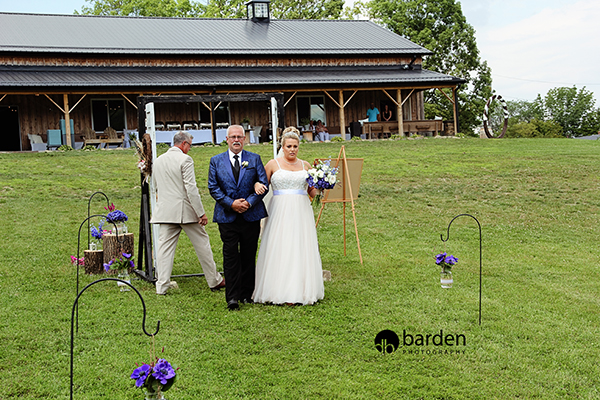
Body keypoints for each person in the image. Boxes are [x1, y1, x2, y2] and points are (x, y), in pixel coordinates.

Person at [252, 127, 324, 305]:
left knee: (300, 244)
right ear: (282, 147)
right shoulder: (272, 164)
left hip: (301, 210)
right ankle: (277, 289)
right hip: (279, 210)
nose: (292, 149)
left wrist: (323, 185)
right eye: (289, 146)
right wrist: (256, 185)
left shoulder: (306, 166)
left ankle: (301, 289)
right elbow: (260, 183)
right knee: (280, 244)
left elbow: (312, 191)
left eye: (295, 146)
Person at [151, 131, 225, 295]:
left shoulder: (158, 160)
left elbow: (155, 187)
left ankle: (161, 286)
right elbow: (191, 188)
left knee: (164, 249)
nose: (190, 149)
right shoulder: (185, 160)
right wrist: (201, 213)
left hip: (165, 211)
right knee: (202, 244)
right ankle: (214, 280)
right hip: (185, 210)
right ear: (184, 144)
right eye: (190, 145)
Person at [208, 125, 268, 310]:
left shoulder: (254, 158)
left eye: (239, 137)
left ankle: (247, 294)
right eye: (233, 137)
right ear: (226, 139)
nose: (236, 140)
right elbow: (213, 187)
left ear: (244, 139)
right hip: (227, 216)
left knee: (249, 254)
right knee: (231, 256)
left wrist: (248, 203)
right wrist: (231, 203)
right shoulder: (216, 160)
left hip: (251, 215)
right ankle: (232, 297)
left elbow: (263, 183)